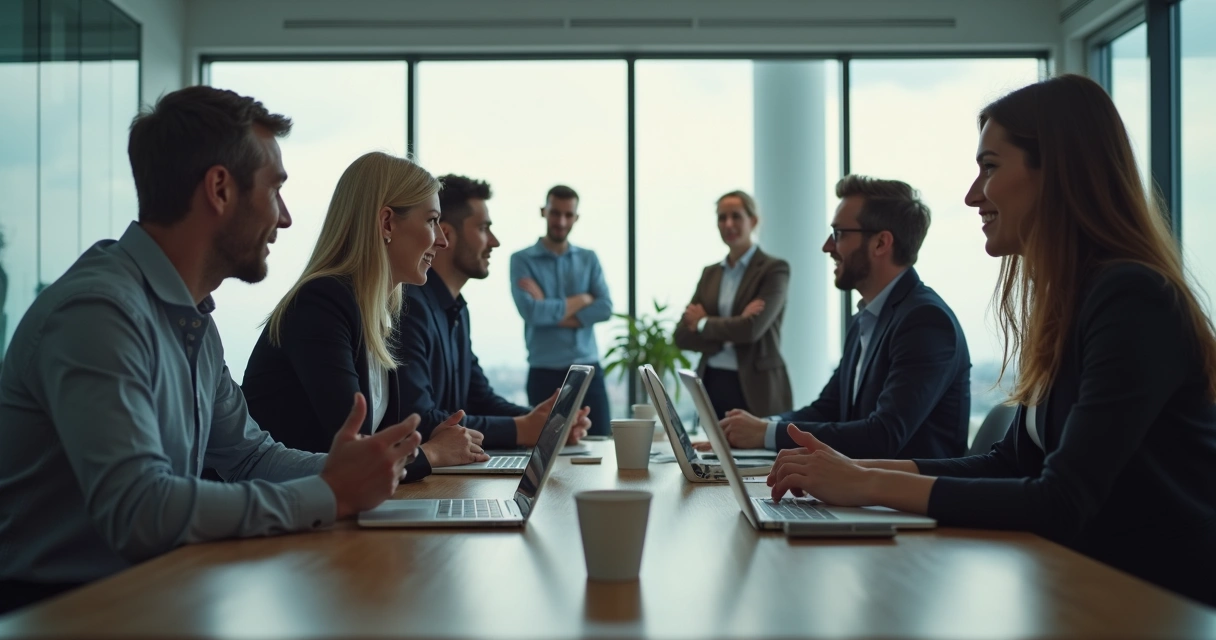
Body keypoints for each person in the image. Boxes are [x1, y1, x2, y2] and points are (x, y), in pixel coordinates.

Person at [766, 74, 1216, 607]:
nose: (972, 194)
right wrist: (847, 471)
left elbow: (1061, 498)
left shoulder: (1132, 299)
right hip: (1078, 589)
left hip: (1150, 605)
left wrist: (865, 485)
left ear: (1057, 173)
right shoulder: (1072, 301)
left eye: (990, 167)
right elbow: (1008, 463)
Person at [0, 86, 419, 615]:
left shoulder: (190, 317)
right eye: (275, 190)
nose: (285, 217)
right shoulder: (99, 312)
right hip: (63, 612)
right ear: (220, 189)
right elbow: (138, 509)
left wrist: (349, 469)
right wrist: (329, 493)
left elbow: (248, 455)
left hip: (153, 595)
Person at [242, 152, 488, 477]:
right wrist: (432, 453)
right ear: (387, 222)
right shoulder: (321, 304)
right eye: (431, 221)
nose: (441, 240)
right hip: (278, 512)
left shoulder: (376, 312)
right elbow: (356, 452)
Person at [709, 176, 970, 459]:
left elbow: (882, 436)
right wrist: (760, 426)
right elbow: (828, 409)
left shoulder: (925, 321)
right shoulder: (865, 319)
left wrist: (765, 434)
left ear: (881, 243)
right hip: (863, 494)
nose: (827, 246)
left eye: (839, 234)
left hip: (903, 501)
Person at [398, 175, 590, 449]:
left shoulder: (457, 310)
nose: (495, 241)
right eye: (484, 229)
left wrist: (546, 423)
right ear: (447, 235)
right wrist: (523, 429)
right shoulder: (410, 307)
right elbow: (420, 420)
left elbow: (480, 398)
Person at [673, 190, 792, 420]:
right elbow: (681, 336)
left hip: (757, 388)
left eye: (736, 216)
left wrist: (703, 322)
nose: (728, 224)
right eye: (722, 217)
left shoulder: (774, 269)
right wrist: (733, 326)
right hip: (712, 382)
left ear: (753, 220)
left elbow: (751, 330)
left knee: (760, 454)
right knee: (711, 453)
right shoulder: (710, 274)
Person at [509, 185, 613, 436]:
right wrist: (583, 299)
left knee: (601, 443)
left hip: (588, 373)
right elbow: (532, 313)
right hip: (544, 374)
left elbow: (605, 308)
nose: (561, 221)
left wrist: (548, 307)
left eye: (568, 215)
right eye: (555, 213)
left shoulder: (589, 258)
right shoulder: (521, 260)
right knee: (545, 449)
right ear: (543, 212)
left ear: (576, 218)